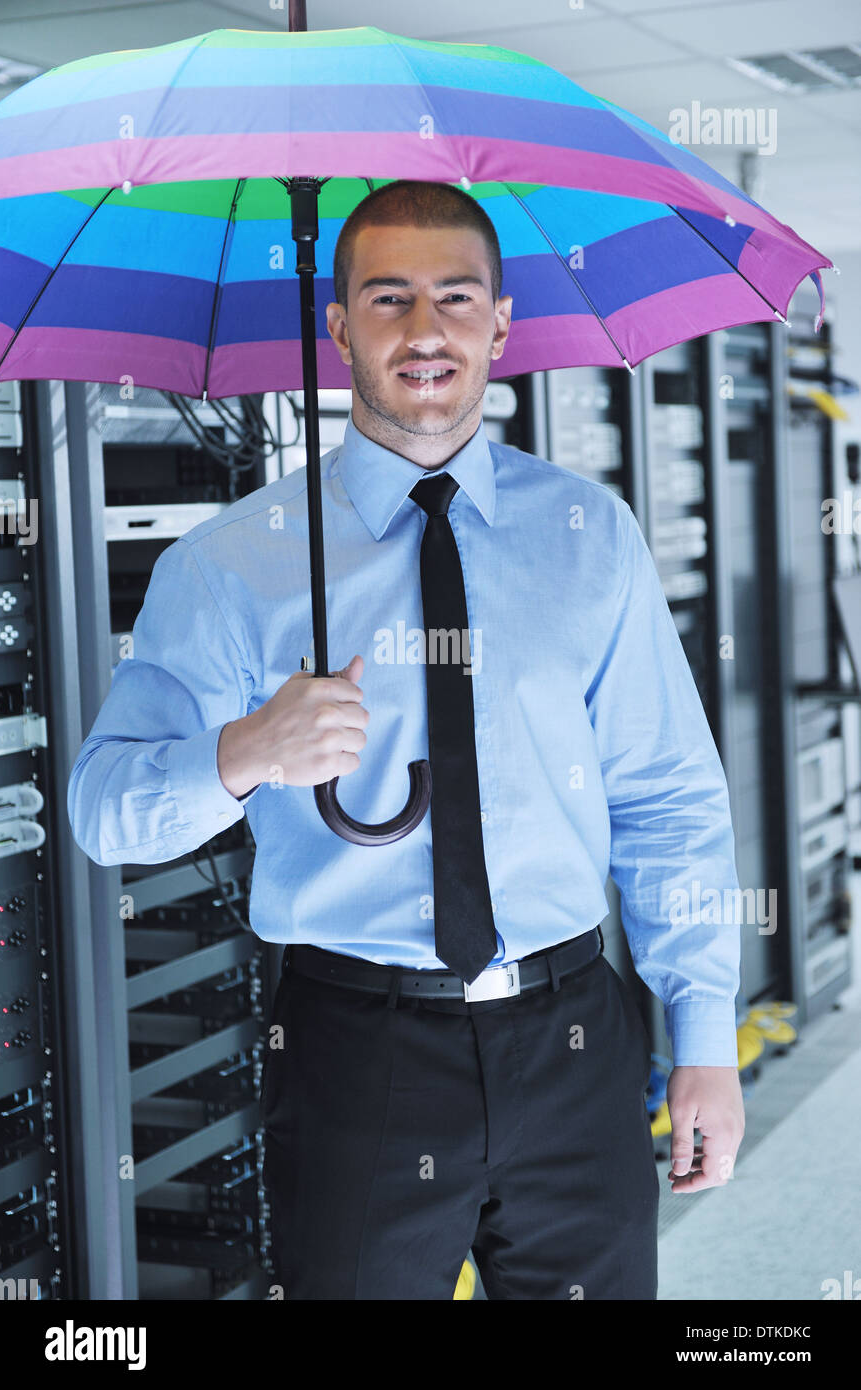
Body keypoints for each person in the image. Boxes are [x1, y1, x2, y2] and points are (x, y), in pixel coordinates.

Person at [68, 179, 745, 1301]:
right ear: (335, 329)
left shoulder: (589, 536)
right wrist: (245, 751)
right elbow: (100, 810)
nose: (424, 330)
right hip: (355, 1052)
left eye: (454, 296)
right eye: (386, 299)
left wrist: (705, 1038)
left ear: (499, 323)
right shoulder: (231, 563)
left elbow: (667, 797)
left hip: (577, 1032)